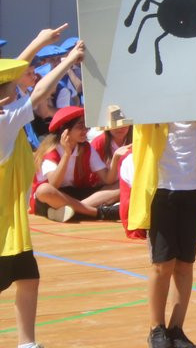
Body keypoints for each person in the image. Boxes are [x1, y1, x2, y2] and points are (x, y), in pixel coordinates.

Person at [0, 25, 81, 348]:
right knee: (22, 277)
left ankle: (27, 343)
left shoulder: (5, 110)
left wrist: (38, 42)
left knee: (28, 278)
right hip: (3, 221)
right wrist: (67, 61)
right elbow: (37, 95)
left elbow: (15, 76)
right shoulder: (6, 120)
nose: (24, 78)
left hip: (11, 218)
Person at [129, 114, 196, 348]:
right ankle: (156, 328)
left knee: (185, 263)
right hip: (162, 187)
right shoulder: (154, 103)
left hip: (195, 186)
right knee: (162, 263)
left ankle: (176, 328)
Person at [31, 106, 124, 222]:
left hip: (75, 195)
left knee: (120, 184)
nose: (85, 131)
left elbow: (107, 179)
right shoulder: (51, 151)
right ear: (65, 130)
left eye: (86, 127)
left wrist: (115, 158)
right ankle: (98, 213)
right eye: (80, 127)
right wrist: (66, 154)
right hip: (54, 199)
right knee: (44, 190)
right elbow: (54, 184)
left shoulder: (86, 148)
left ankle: (74, 212)